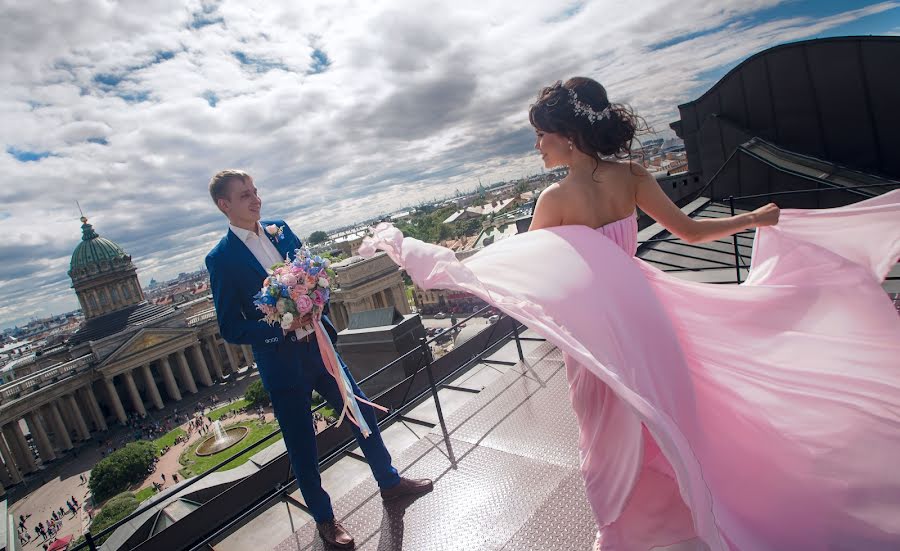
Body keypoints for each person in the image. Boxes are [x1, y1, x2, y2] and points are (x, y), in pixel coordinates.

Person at [360, 77, 900, 550]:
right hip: (648, 313)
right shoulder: (635, 177)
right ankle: (684, 507)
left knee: (603, 434)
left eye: (541, 135)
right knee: (674, 412)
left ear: (567, 136)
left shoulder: (554, 200)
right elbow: (690, 232)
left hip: (601, 334)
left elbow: (532, 275)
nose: (537, 145)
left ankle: (620, 532)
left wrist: (413, 251)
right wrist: (754, 219)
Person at [205, 170, 433, 549]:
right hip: (282, 365)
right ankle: (327, 522)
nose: (256, 199)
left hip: (320, 347)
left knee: (362, 413)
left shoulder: (279, 229)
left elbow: (314, 275)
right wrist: (281, 325)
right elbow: (231, 327)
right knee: (302, 447)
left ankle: (390, 483)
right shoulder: (221, 259)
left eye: (256, 191)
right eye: (245, 195)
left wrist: (317, 300)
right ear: (224, 205)